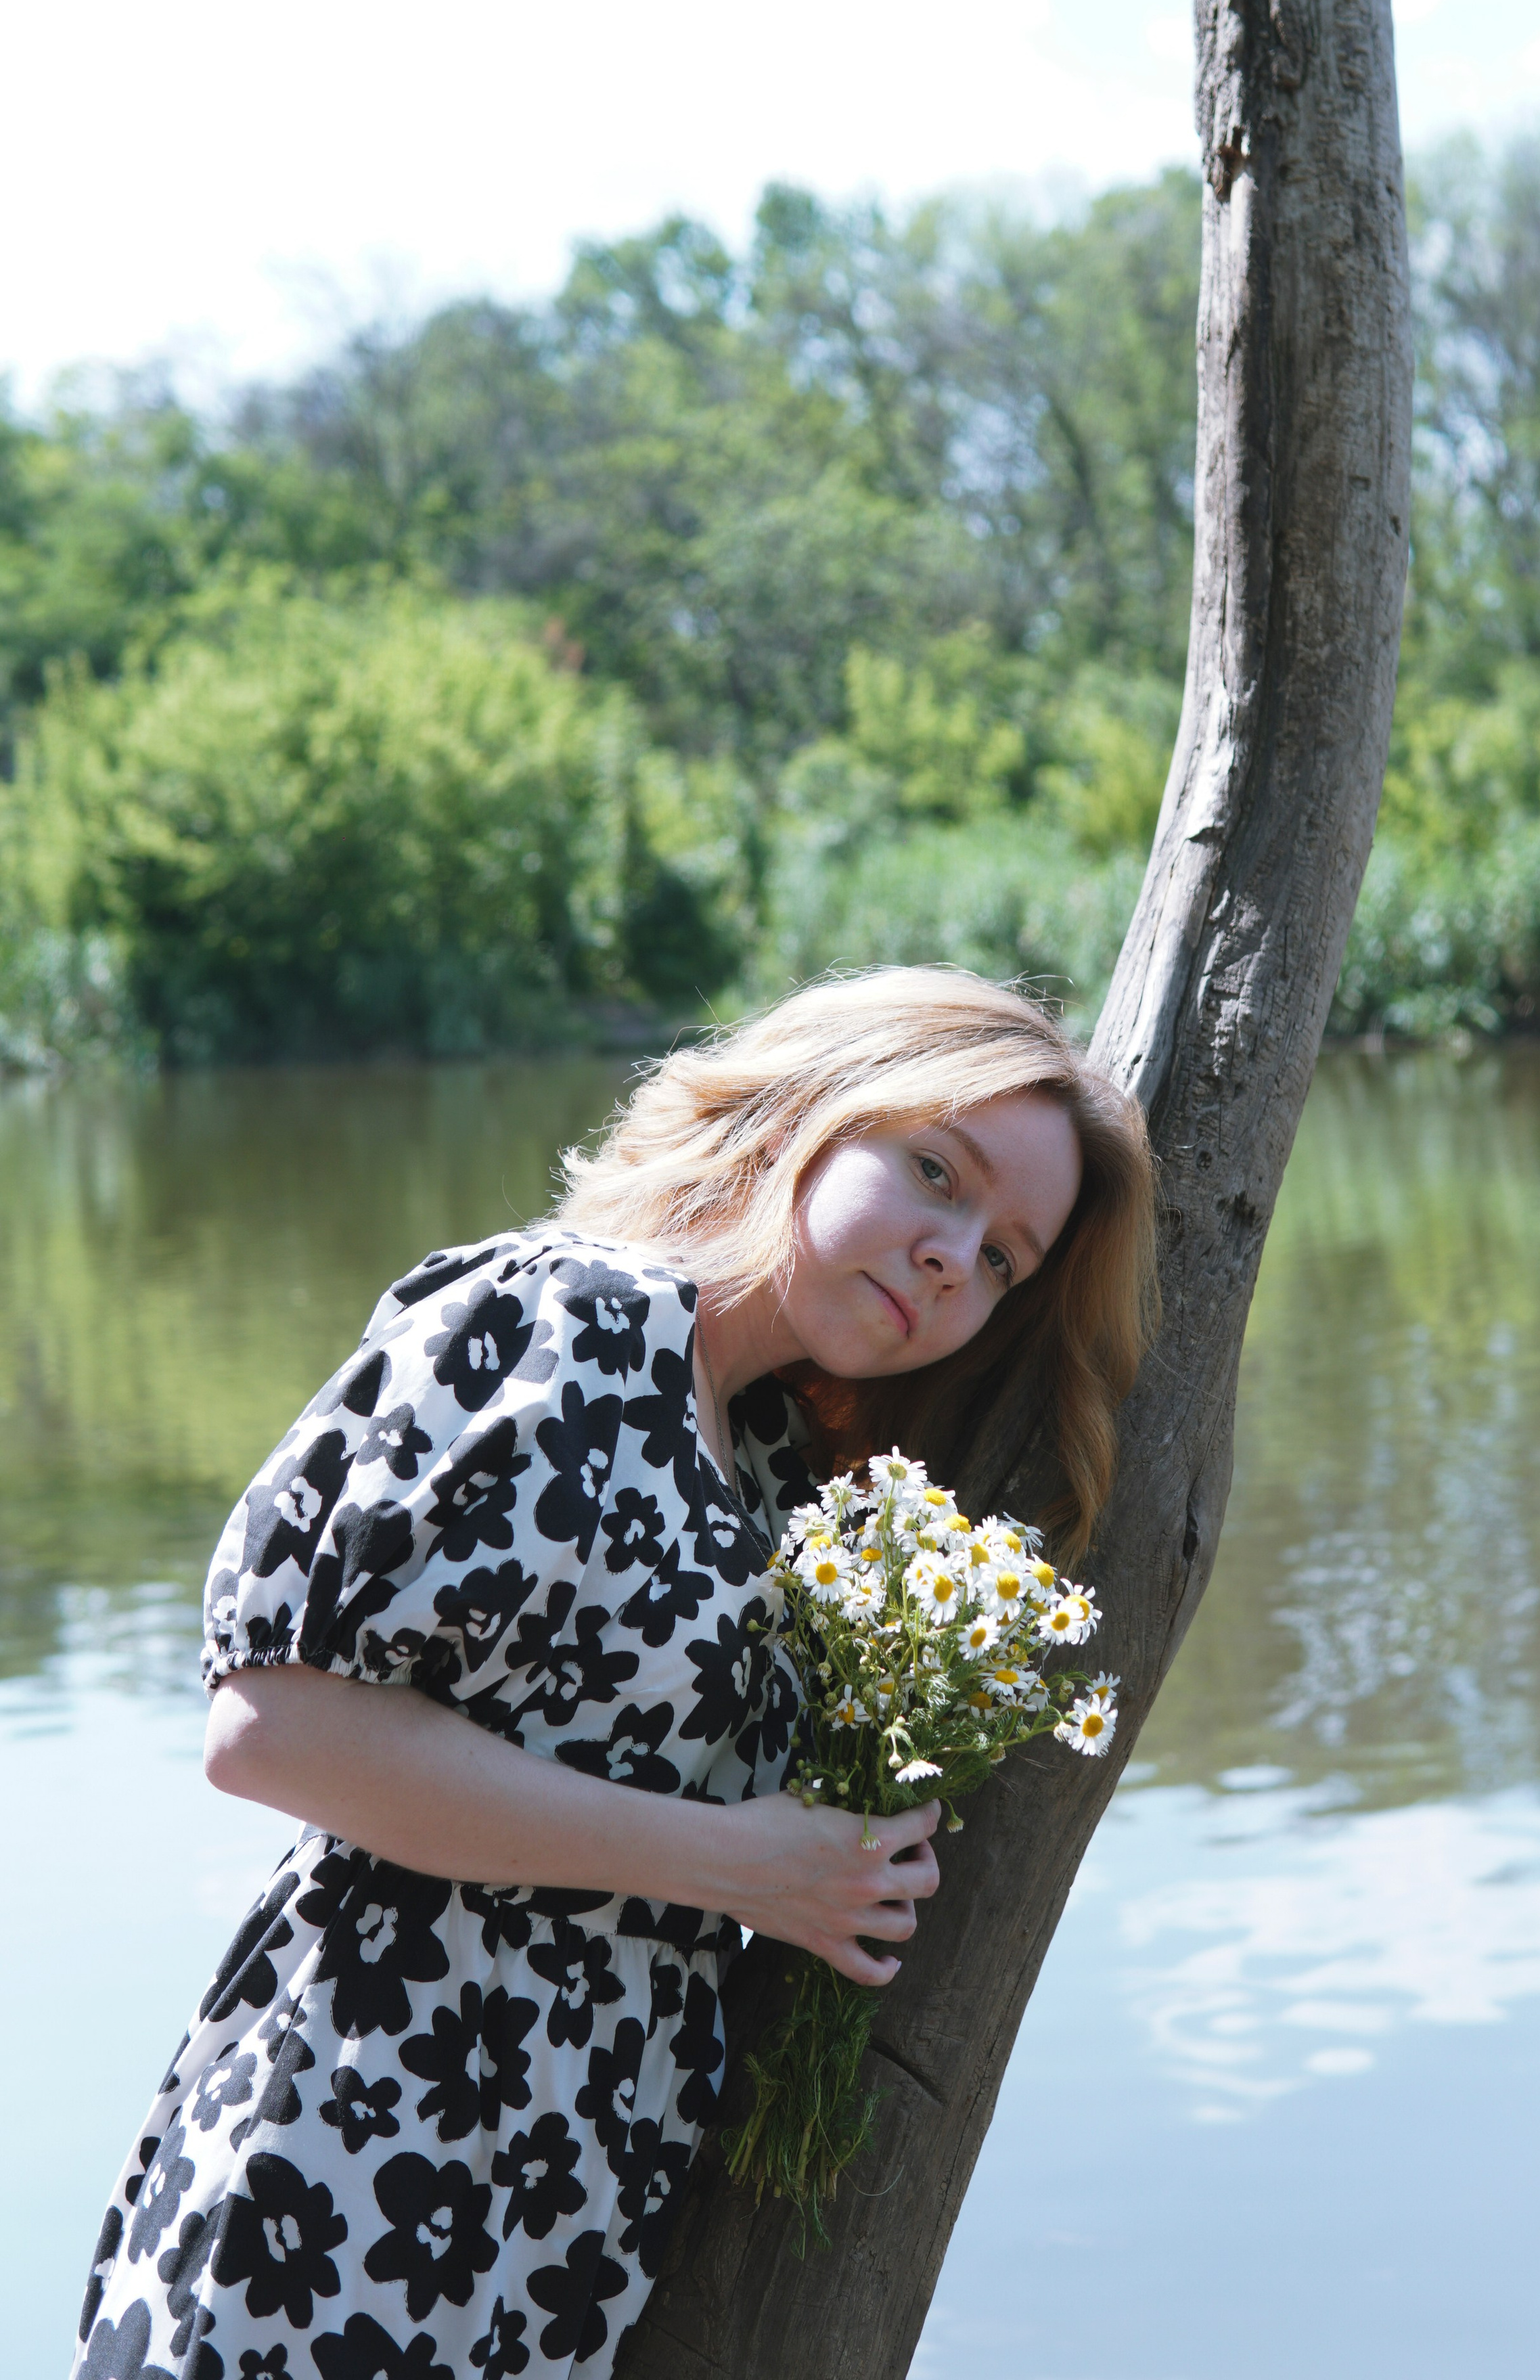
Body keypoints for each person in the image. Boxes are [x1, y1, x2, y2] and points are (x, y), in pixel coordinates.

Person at [74, 966, 1156, 2380]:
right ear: (799, 1122)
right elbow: (273, 1727)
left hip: (558, 2238)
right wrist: (732, 1863)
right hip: (345, 2175)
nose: (957, 1256)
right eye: (933, 1173)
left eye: (1005, 1258)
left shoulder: (778, 1477)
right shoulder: (559, 1324)